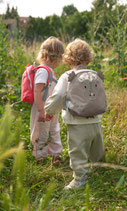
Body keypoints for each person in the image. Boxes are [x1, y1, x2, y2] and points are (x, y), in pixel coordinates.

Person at [45, 39, 105, 189]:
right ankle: (99, 171)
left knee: (77, 151)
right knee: (96, 149)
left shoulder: (68, 76)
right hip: (96, 121)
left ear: (68, 58)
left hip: (76, 122)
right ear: (88, 58)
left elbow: (58, 96)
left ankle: (79, 180)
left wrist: (49, 110)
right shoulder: (95, 74)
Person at [30, 36, 64, 164]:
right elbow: (37, 90)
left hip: (51, 109)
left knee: (54, 130)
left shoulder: (50, 71)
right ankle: (40, 156)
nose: (60, 62)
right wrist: (40, 110)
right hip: (42, 108)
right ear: (55, 57)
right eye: (60, 58)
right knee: (41, 132)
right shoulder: (43, 71)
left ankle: (56, 154)